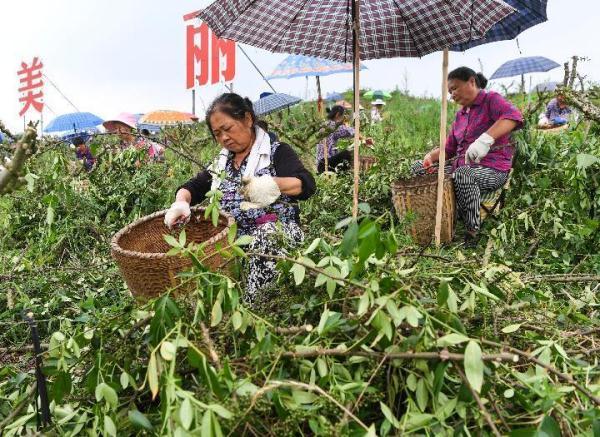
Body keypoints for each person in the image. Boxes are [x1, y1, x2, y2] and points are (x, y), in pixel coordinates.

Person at [164, 93, 316, 306]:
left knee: (267, 234)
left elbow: (306, 184)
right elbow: (193, 187)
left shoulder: (276, 152)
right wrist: (181, 202)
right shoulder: (221, 164)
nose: (224, 138)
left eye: (227, 129)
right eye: (217, 134)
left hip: (278, 237)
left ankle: (256, 308)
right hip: (234, 243)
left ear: (247, 119)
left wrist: (272, 184)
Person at [414, 67, 523, 247]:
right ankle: (435, 223)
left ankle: (472, 231)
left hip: (492, 169)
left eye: (455, 88)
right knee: (417, 168)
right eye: (450, 92)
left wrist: (486, 139)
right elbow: (448, 149)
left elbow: (514, 116)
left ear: (471, 82)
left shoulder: (491, 100)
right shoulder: (461, 115)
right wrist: (429, 157)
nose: (452, 95)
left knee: (463, 174)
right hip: (460, 166)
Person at [316, 105, 355, 174]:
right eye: (343, 116)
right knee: (347, 154)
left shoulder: (326, 124)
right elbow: (350, 131)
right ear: (337, 115)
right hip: (324, 164)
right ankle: (342, 175)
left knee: (342, 154)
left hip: (322, 163)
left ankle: (340, 174)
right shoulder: (333, 125)